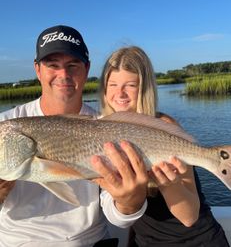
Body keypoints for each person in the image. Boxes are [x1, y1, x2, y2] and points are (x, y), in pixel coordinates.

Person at [0, 26, 149, 247]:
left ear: (86, 69)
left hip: (89, 242)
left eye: (73, 65)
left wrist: (130, 202)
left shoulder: (107, 127)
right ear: (37, 70)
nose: (64, 75)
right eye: (52, 65)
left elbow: (117, 216)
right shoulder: (7, 123)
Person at [99, 45, 230, 247]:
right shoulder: (102, 129)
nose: (120, 93)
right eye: (112, 84)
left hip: (198, 241)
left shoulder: (165, 128)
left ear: (145, 88)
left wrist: (170, 184)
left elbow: (189, 217)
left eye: (131, 85)